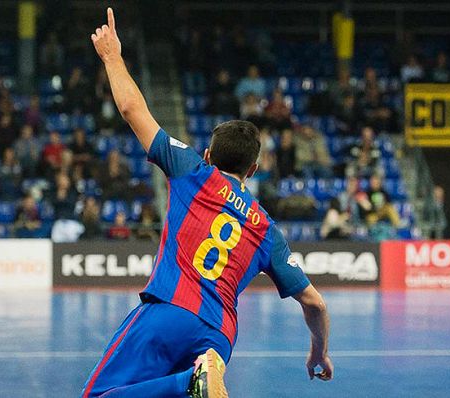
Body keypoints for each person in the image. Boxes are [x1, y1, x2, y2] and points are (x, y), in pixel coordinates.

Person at [83, 9, 332, 398]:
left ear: (208, 154)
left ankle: (189, 383)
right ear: (252, 170)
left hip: (171, 310)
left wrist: (112, 57)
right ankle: (198, 379)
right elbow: (315, 303)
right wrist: (319, 353)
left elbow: (133, 110)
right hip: (218, 337)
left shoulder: (193, 171)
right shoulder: (266, 229)